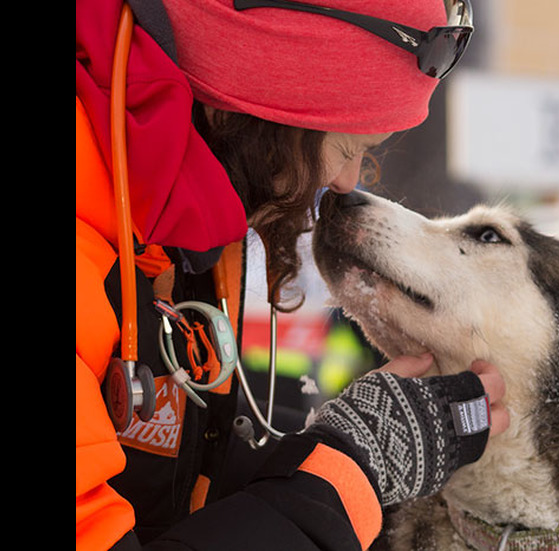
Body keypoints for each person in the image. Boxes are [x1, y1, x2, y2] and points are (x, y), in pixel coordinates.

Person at [76, 1, 509, 550]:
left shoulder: (174, 227)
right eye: (349, 147)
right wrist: (345, 477)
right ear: (270, 103)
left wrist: (324, 463)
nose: (347, 181)